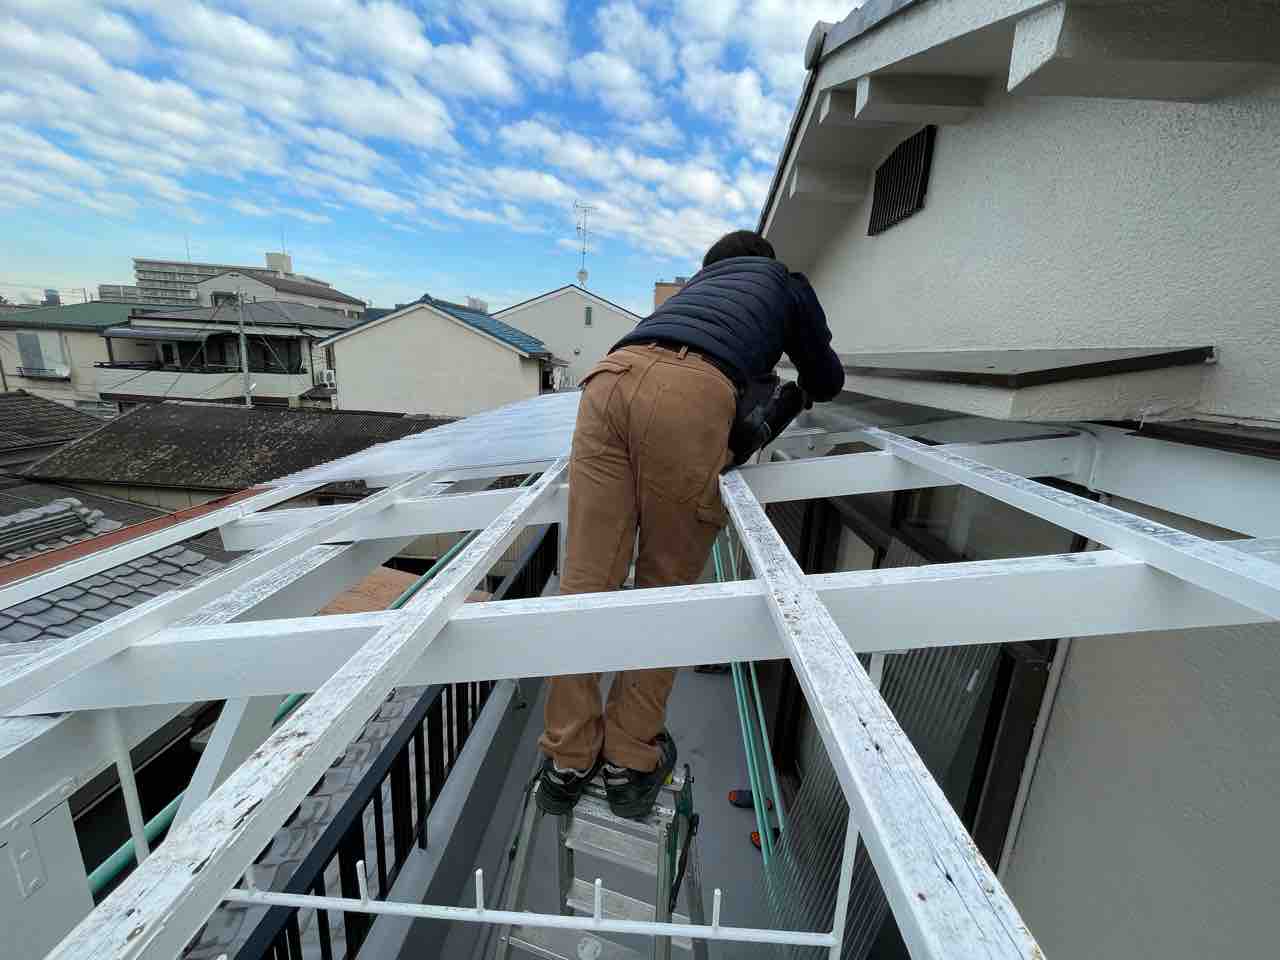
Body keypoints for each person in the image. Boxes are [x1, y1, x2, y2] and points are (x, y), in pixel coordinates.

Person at [536, 229, 845, 818]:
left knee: (585, 581)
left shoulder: (691, 294)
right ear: (763, 260)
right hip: (692, 394)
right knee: (664, 589)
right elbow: (827, 379)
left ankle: (567, 758)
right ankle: (628, 757)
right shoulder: (783, 283)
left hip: (610, 378)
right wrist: (792, 396)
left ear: (712, 267)